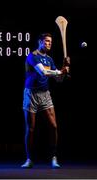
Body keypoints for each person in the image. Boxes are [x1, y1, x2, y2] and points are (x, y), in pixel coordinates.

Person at [21, 33, 70, 168]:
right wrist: (61, 71)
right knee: (31, 128)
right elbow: (43, 72)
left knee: (53, 126)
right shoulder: (32, 56)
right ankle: (29, 159)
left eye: (50, 42)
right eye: (47, 41)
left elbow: (58, 80)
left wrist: (64, 70)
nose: (49, 44)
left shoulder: (49, 59)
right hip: (31, 94)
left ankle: (54, 157)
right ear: (40, 42)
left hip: (45, 94)